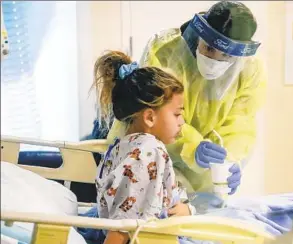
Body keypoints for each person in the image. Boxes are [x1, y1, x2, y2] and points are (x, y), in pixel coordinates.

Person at [102, 1, 267, 195]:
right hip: (157, 158)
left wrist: (230, 161)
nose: (215, 60)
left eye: (226, 55)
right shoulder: (165, 51)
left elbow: (241, 124)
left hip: (197, 180)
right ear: (199, 34)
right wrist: (191, 146)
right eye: (209, 48)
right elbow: (156, 117)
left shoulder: (249, 69)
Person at [87, 51, 196, 244]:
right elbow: (124, 222)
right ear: (149, 117)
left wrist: (186, 208)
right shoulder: (148, 151)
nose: (182, 122)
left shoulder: (122, 146)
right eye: (177, 114)